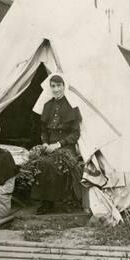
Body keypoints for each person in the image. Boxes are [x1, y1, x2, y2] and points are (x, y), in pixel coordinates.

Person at [36, 73, 85, 214]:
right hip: (49, 146)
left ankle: (57, 201)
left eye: (59, 85)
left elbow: (75, 133)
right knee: (40, 163)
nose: (56, 89)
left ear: (64, 86)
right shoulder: (47, 106)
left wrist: (58, 144)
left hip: (65, 147)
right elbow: (43, 130)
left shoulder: (72, 106)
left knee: (53, 164)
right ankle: (45, 201)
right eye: (53, 86)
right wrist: (45, 142)